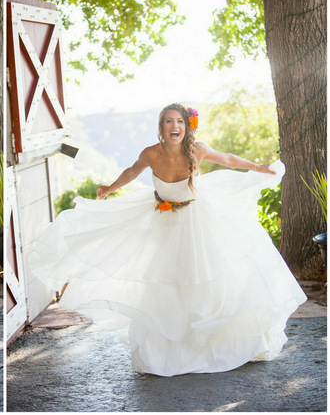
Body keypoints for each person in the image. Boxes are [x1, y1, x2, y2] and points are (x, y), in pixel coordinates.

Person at [28, 103, 307, 377]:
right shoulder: (150, 153)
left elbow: (228, 158)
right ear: (161, 127)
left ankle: (213, 340)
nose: (175, 126)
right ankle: (165, 350)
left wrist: (257, 166)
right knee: (167, 278)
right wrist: (110, 187)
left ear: (187, 126)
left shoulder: (198, 150)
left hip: (197, 219)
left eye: (180, 121)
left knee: (203, 275)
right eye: (169, 121)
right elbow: (131, 171)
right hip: (163, 220)